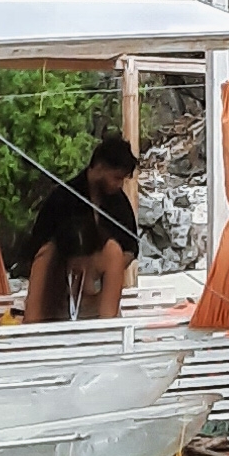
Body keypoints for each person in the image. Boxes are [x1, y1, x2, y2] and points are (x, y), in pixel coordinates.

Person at [19, 184, 112, 323]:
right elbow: (32, 318)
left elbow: (109, 316)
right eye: (75, 260)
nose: (80, 266)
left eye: (85, 259)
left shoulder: (109, 254)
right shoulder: (46, 258)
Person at [82, 134, 141, 318]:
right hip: (66, 295)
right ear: (100, 167)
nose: (119, 184)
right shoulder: (64, 198)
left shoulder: (118, 201)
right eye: (116, 177)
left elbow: (131, 247)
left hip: (104, 298)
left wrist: (109, 272)